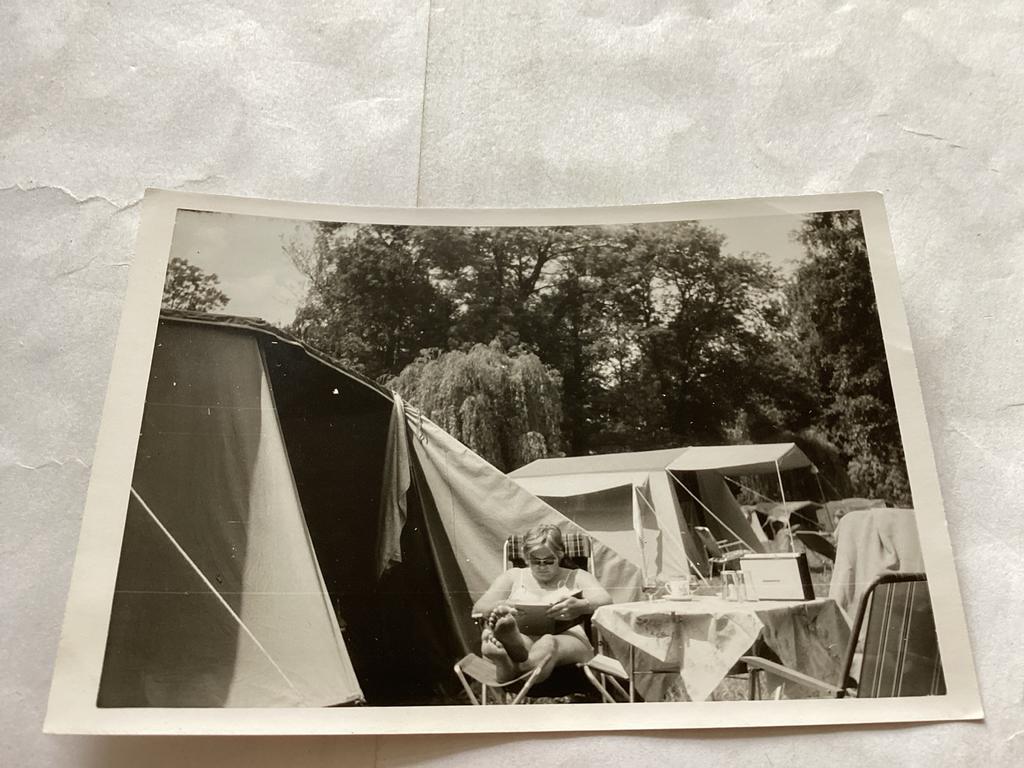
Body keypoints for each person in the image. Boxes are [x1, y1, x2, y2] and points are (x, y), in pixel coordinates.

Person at [472, 523, 612, 685]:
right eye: (535, 561)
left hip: (568, 638)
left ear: (560, 555)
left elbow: (605, 600)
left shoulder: (577, 576)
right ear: (526, 557)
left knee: (548, 642)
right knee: (521, 641)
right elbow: (478, 608)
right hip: (524, 638)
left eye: (549, 561)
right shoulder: (514, 576)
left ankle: (506, 667)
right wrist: (504, 604)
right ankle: (511, 657)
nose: (542, 566)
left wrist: (582, 606)